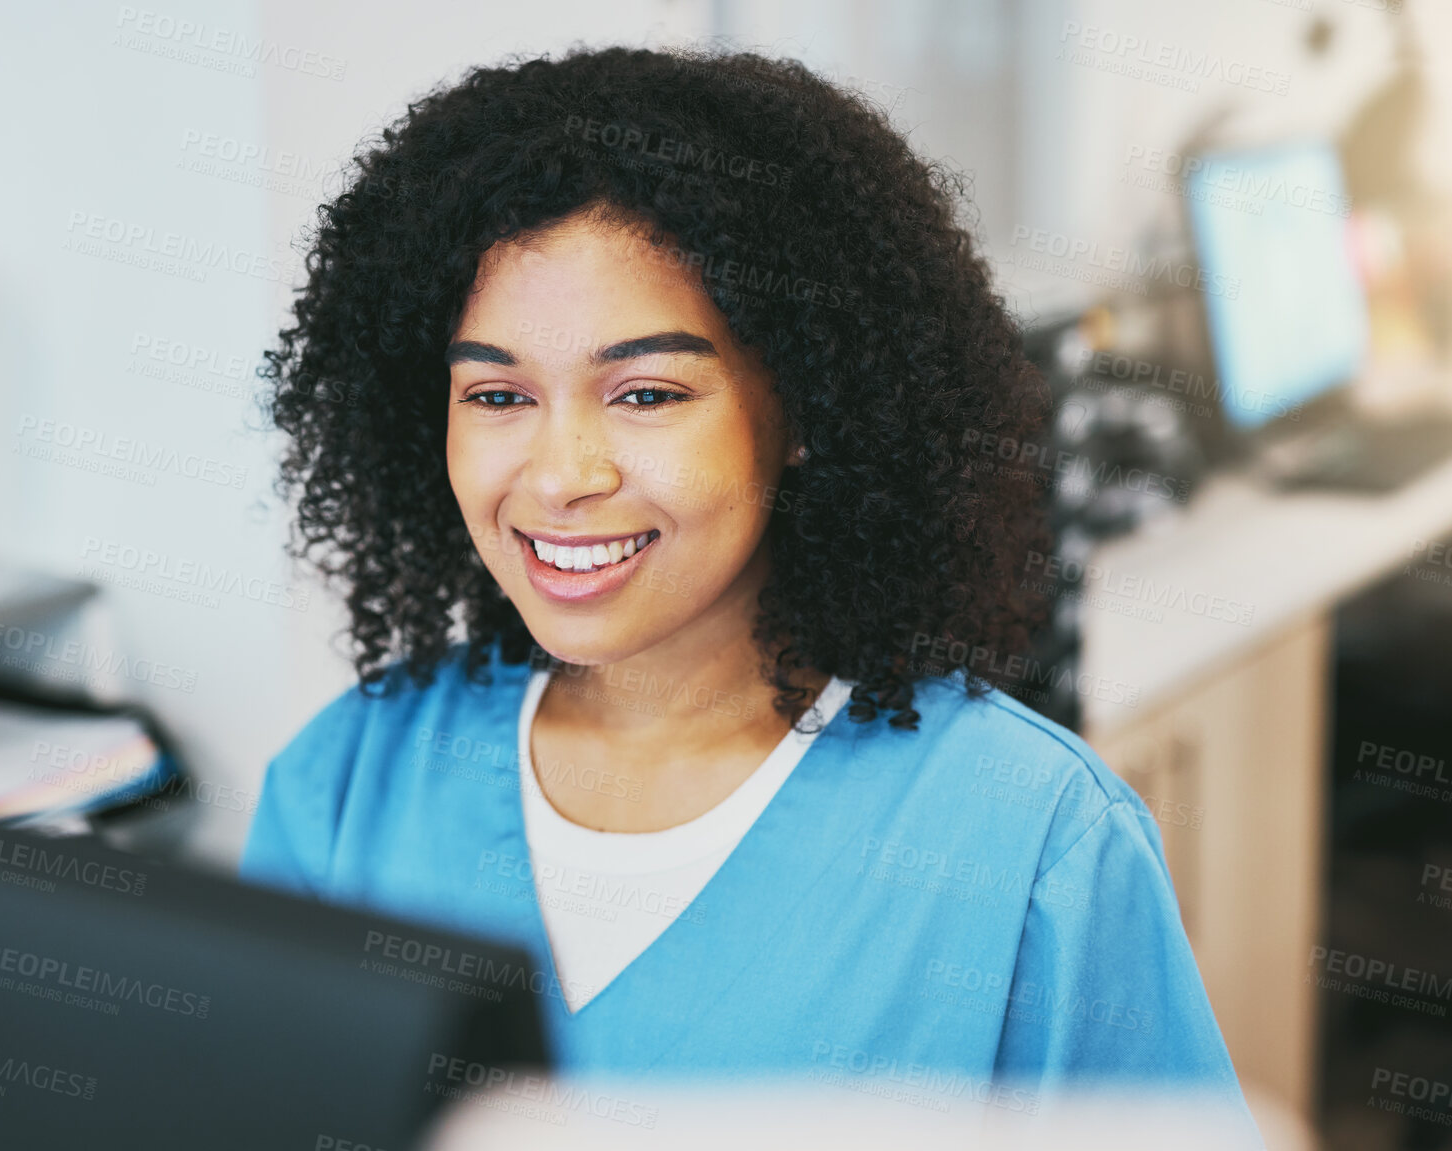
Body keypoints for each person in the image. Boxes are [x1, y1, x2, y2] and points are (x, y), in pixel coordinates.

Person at [241, 44, 1251, 1122]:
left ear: (804, 408)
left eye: (646, 393)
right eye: (496, 396)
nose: (559, 475)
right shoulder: (346, 784)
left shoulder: (1039, 843)